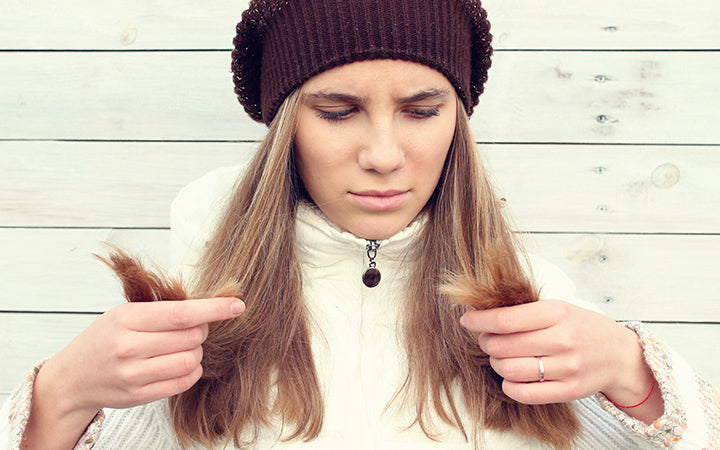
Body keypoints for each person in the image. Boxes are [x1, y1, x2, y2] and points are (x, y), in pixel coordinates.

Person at [2, 0, 718, 448]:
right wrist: (59, 396)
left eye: (422, 109)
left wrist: (637, 377)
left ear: (459, 122)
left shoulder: (535, 305)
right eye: (338, 112)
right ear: (285, 126)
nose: (382, 155)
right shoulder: (190, 314)